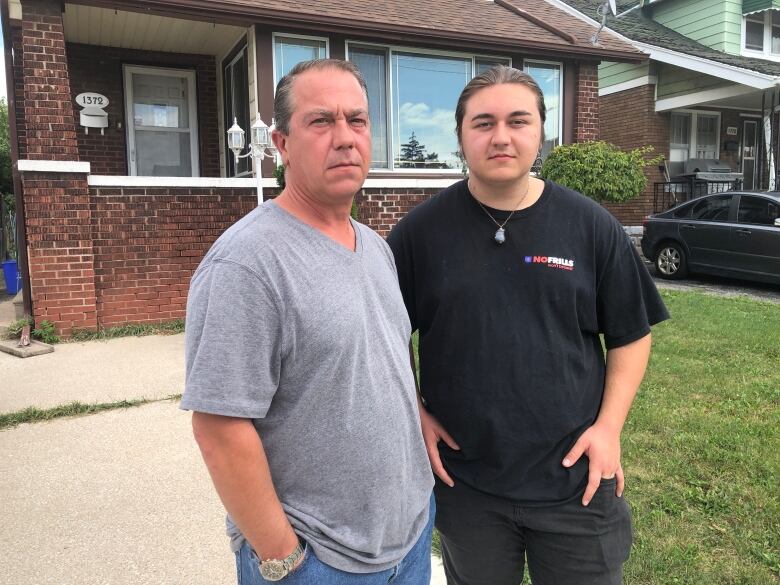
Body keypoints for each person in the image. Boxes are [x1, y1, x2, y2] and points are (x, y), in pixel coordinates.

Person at [387, 66, 669, 585]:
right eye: (483, 122)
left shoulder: (590, 226)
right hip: (468, 484)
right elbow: (386, 336)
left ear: (541, 131)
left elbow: (632, 333)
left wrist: (609, 429)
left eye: (518, 121)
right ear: (460, 136)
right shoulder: (419, 235)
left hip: (576, 482)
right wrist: (416, 411)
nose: (501, 136)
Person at [181, 59, 434, 585]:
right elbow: (219, 426)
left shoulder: (376, 249)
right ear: (282, 142)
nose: (345, 138)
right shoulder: (248, 263)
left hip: (406, 540)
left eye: (357, 121)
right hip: (317, 560)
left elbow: (387, 362)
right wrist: (283, 559)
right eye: (321, 122)